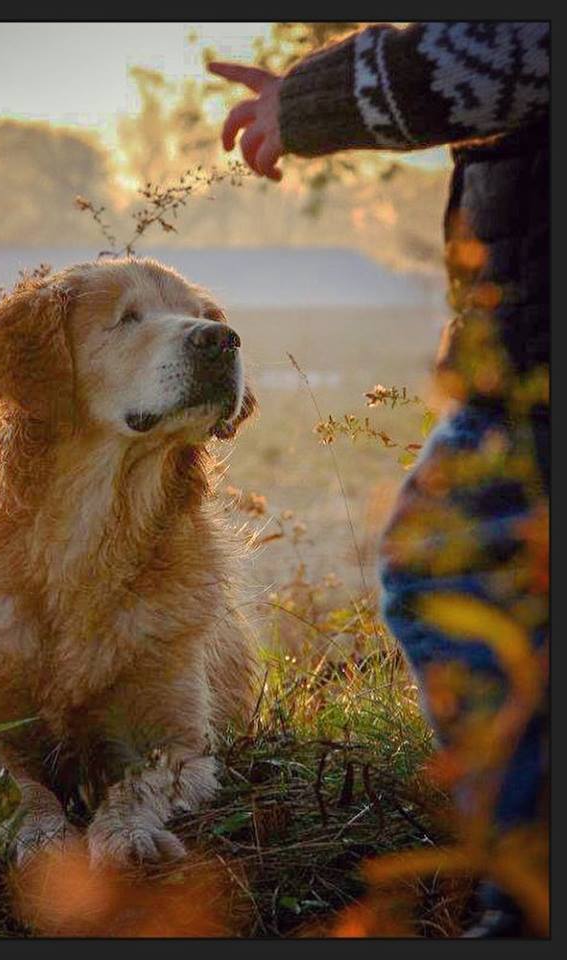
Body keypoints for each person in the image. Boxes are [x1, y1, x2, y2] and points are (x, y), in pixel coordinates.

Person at [209, 21, 549, 938]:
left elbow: (511, 51)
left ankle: (526, 898)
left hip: (536, 361)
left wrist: (305, 101)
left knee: (444, 573)